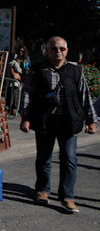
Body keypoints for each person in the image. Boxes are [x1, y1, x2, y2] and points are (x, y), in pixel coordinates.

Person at [20, 36, 97, 213]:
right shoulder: (37, 70)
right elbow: (27, 94)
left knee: (69, 159)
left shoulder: (75, 71)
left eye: (62, 49)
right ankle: (42, 190)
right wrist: (25, 118)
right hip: (45, 121)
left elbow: (84, 96)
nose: (58, 52)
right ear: (47, 50)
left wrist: (91, 120)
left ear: (67, 51)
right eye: (54, 48)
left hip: (69, 122)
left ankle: (67, 196)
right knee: (44, 158)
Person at [6, 45, 31, 115]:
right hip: (14, 79)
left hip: (23, 78)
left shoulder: (26, 59)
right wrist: (14, 73)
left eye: (22, 51)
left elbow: (28, 68)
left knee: (22, 95)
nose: (21, 52)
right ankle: (12, 108)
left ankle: (19, 109)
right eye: (20, 50)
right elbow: (10, 67)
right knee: (12, 93)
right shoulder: (15, 58)